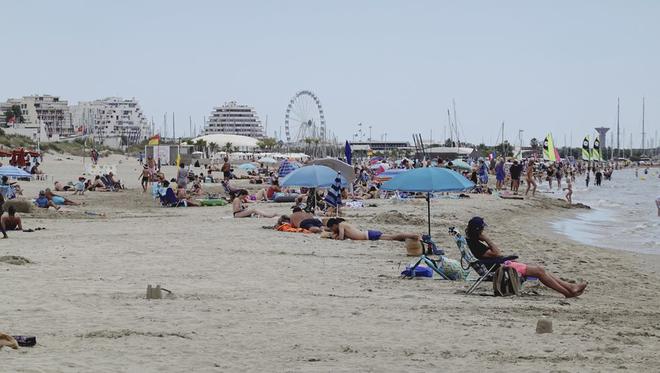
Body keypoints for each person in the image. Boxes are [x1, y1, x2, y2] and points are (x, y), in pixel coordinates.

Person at [465, 217, 587, 298]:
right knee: (539, 271)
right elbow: (496, 252)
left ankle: (570, 288)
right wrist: (486, 239)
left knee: (540, 270)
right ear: (479, 231)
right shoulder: (477, 245)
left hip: (499, 264)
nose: (484, 231)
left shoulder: (472, 242)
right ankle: (567, 292)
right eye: (482, 229)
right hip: (500, 269)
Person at [326, 218, 419, 241]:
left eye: (331, 228)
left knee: (393, 237)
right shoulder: (343, 225)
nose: (332, 230)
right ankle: (410, 237)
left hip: (368, 235)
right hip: (368, 235)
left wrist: (332, 237)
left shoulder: (341, 225)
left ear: (334, 225)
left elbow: (341, 238)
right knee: (393, 237)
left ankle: (413, 235)